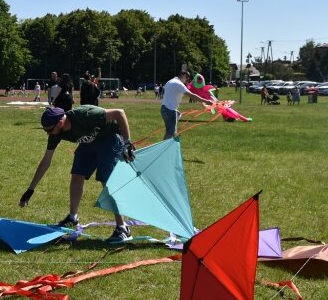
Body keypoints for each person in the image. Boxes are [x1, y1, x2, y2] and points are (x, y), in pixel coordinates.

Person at [19, 105, 136, 244]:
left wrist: (128, 143)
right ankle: (72, 218)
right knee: (77, 175)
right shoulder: (56, 133)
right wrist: (30, 190)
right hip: (88, 143)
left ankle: (123, 228)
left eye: (50, 130)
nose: (48, 134)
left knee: (106, 181)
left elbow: (119, 112)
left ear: (61, 122)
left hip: (109, 139)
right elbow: (46, 161)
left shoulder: (85, 115)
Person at [161, 71, 208, 140]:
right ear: (183, 76)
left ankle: (174, 146)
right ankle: (163, 148)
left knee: (173, 131)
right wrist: (206, 101)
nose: (187, 81)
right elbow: (192, 96)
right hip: (170, 111)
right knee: (170, 133)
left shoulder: (170, 81)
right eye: (187, 79)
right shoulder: (179, 84)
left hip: (164, 109)